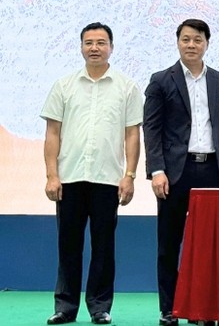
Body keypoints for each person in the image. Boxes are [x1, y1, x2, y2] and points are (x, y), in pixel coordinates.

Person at [42, 22, 143, 325]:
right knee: (68, 245)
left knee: (103, 247)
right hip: (69, 178)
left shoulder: (126, 87)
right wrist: (51, 175)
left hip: (107, 179)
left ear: (111, 47)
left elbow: (132, 135)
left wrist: (129, 175)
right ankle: (65, 307)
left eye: (101, 42)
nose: (94, 48)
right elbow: (52, 133)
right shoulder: (64, 85)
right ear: (81, 47)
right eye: (89, 43)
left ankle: (100, 307)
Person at [143, 19, 219, 326]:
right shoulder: (160, 80)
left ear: (207, 43)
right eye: (186, 39)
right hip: (174, 173)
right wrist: (157, 170)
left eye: (197, 39)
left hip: (211, 171)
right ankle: (169, 308)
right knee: (169, 244)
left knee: (210, 246)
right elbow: (152, 129)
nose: (191, 45)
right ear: (177, 42)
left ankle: (204, 308)